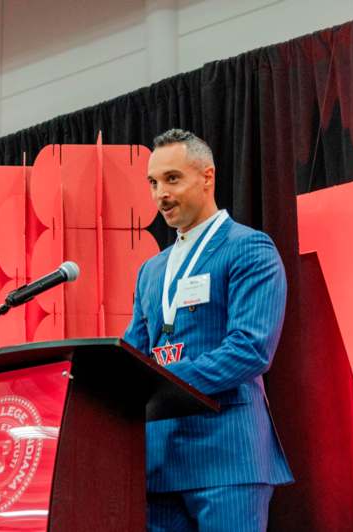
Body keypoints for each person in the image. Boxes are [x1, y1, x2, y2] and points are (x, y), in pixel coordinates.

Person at [123, 129, 293, 532]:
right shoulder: (151, 271)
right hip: (160, 465)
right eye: (153, 182)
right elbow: (131, 358)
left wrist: (159, 382)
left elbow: (250, 350)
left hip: (226, 456)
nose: (160, 193)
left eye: (172, 179)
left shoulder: (249, 248)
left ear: (207, 177)